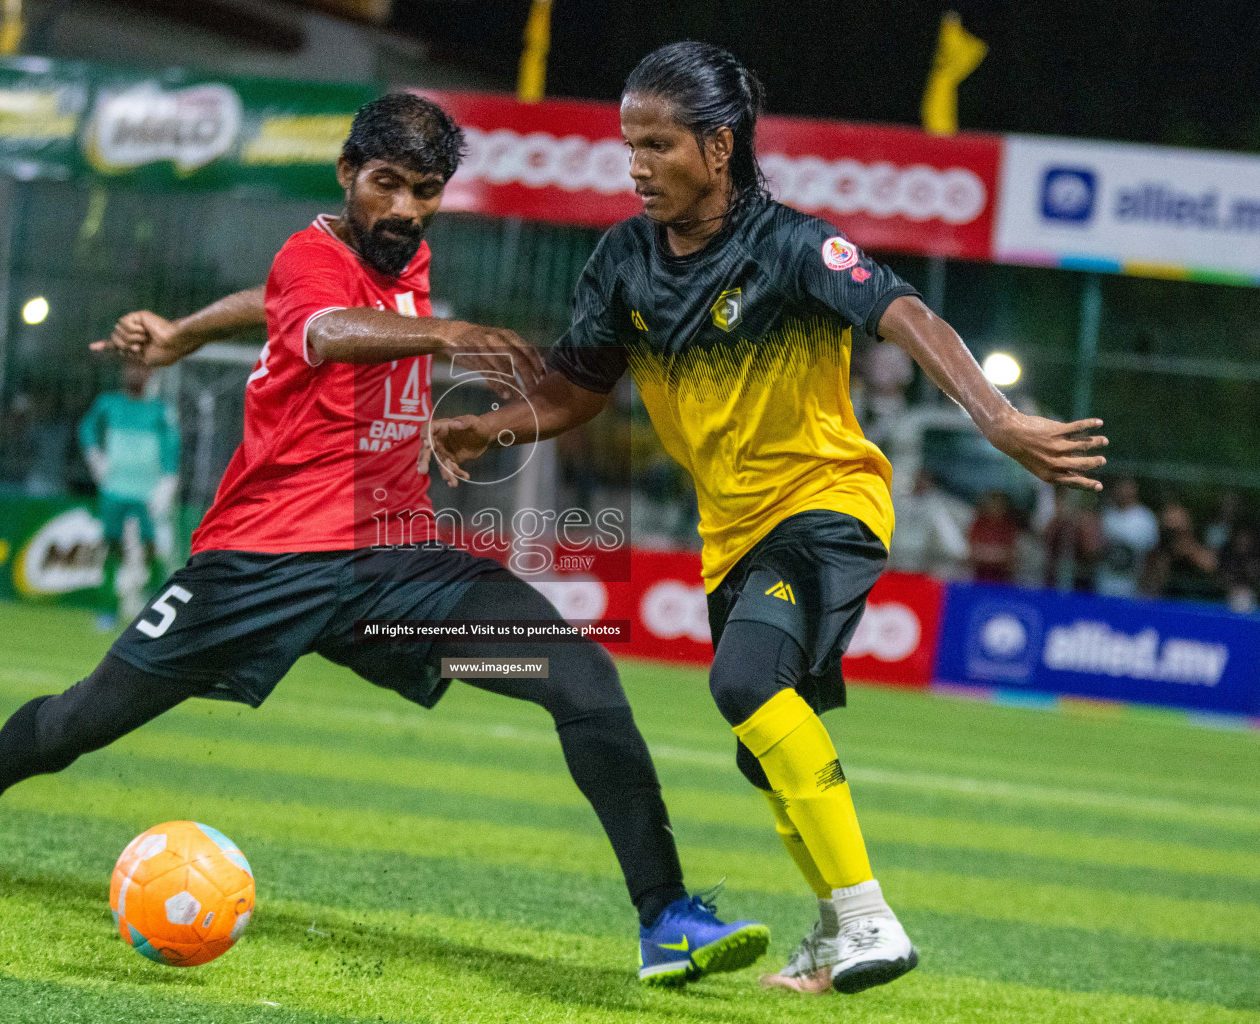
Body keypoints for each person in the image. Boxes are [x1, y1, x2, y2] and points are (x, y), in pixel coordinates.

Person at [0, 93, 766, 988]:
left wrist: (183, 332)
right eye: (386, 185)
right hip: (261, 561)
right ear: (346, 174)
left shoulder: (400, 256)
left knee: (578, 675)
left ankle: (666, 918)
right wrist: (447, 332)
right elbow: (321, 327)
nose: (405, 209)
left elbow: (271, 308)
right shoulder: (314, 252)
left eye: (426, 190)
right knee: (76, 724)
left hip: (391, 562)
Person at [428, 42, 1107, 996]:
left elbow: (906, 313)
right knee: (765, 750)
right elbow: (577, 388)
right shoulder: (624, 259)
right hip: (732, 534)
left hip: (827, 505)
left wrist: (995, 418)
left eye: (659, 145)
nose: (637, 165)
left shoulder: (793, 244)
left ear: (720, 146)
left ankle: (871, 920)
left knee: (744, 679)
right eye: (630, 144)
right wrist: (491, 426)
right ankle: (837, 931)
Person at [79, 362, 182, 624]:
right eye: (130, 368)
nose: (134, 373)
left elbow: (172, 444)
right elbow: (87, 428)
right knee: (111, 546)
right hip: (114, 488)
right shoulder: (109, 403)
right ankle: (107, 608)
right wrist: (94, 457)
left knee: (152, 547)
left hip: (147, 492)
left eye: (140, 369)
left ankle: (156, 608)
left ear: (150, 375)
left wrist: (168, 481)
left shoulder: (160, 411)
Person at [888, 469, 967, 578]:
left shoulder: (935, 508)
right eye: (917, 478)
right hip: (893, 565)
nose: (919, 482)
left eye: (923, 479)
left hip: (920, 569)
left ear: (931, 483)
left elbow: (952, 542)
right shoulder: (900, 502)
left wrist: (957, 552)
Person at [1140, 502, 1224, 603]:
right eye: (1170, 521)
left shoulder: (1197, 544)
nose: (1173, 526)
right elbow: (1149, 581)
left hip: (1197, 598)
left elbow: (1211, 565)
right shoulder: (1158, 550)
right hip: (1165, 599)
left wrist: (1190, 550)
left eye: (1177, 521)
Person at [1097, 477, 1157, 598]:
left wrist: (1149, 585)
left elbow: (1153, 555)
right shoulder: (1105, 515)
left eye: (1128, 487)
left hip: (1133, 587)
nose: (1124, 491)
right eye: (1121, 487)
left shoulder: (1145, 518)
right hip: (1103, 583)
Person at [1041, 485, 1103, 593]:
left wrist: (1078, 525)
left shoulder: (1089, 520)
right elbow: (1046, 540)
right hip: (1055, 575)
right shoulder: (1056, 521)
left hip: (1081, 577)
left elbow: (1091, 549)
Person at [967, 490, 1019, 584]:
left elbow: (1011, 555)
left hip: (1003, 579)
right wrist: (995, 554)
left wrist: (987, 554)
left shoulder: (1009, 526)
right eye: (993, 504)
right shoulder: (979, 523)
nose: (996, 507)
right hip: (979, 576)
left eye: (1000, 505)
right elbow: (971, 551)